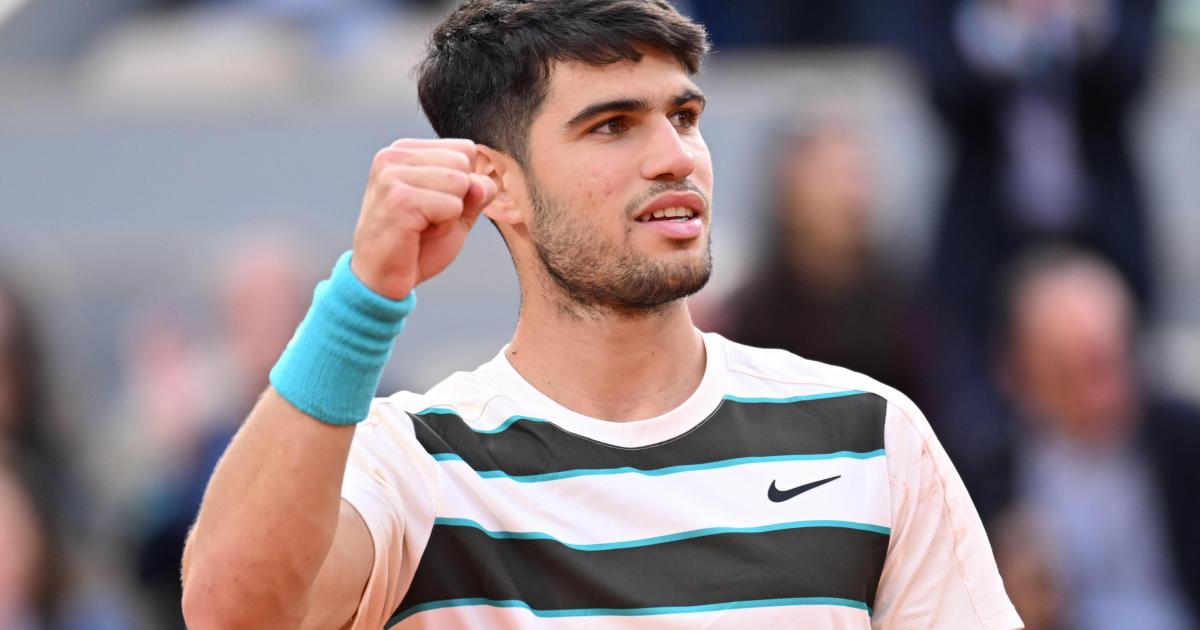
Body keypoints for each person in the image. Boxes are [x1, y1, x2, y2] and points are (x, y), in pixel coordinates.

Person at [180, 1, 1021, 628]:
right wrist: (363, 299)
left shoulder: (868, 431)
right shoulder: (415, 461)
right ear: (496, 185)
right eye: (613, 126)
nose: (675, 157)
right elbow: (231, 613)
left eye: (684, 116)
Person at [990, 246, 1200, 629]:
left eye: (1108, 366)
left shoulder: (1185, 443)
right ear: (1018, 372)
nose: (1097, 397)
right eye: (1068, 375)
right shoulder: (984, 468)